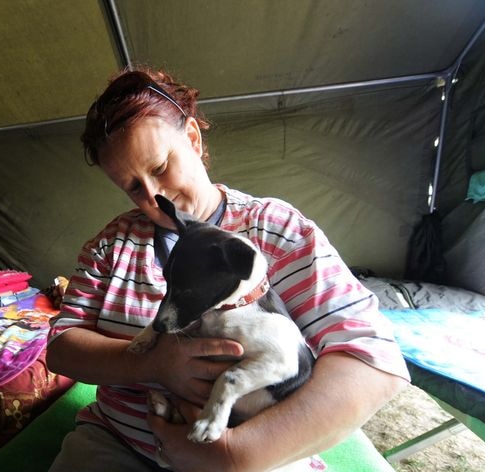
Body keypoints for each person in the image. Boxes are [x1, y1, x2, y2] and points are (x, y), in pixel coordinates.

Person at [46, 66, 410, 472]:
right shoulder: (109, 247)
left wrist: (238, 455)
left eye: (161, 167)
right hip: (120, 445)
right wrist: (150, 364)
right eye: (133, 186)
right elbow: (61, 348)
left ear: (193, 139)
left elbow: (373, 362)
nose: (152, 195)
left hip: (255, 454)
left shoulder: (276, 230)